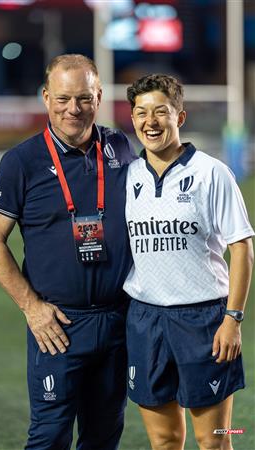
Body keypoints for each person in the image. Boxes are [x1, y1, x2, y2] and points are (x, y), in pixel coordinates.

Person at [0, 54, 137, 450]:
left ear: (98, 97)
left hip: (118, 322)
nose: (74, 109)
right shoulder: (22, 161)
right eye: (64, 98)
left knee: (103, 437)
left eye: (84, 98)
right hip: (58, 327)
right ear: (46, 98)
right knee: (49, 437)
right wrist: (31, 306)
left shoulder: (120, 146)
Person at [123, 74, 254, 450]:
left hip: (204, 321)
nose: (150, 121)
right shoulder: (128, 176)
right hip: (145, 320)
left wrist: (233, 319)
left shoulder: (212, 173)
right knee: (164, 441)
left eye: (160, 112)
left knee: (213, 441)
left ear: (179, 117)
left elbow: (242, 249)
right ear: (132, 118)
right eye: (141, 112)